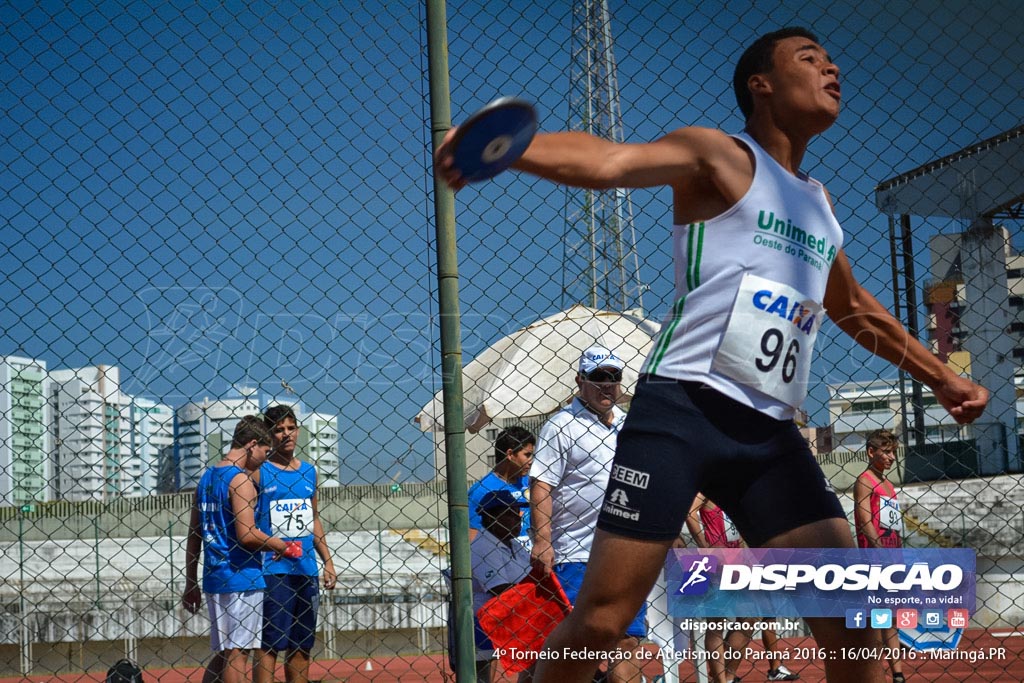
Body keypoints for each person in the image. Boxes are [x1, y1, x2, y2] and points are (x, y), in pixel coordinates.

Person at [435, 26, 989, 683]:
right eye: (810, 59)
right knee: (604, 617)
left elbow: (853, 306)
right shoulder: (719, 155)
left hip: (770, 437)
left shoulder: (818, 204)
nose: (832, 67)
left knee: (851, 619)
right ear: (762, 84)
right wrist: (509, 148)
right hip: (682, 413)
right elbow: (612, 161)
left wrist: (939, 377)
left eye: (832, 59)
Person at [529, 346, 647, 683]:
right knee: (579, 648)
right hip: (577, 555)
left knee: (626, 641)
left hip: (625, 553)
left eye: (613, 378)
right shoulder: (561, 425)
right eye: (598, 378)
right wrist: (543, 539)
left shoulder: (629, 424)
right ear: (580, 381)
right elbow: (542, 484)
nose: (607, 385)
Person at [182, 416, 299, 683]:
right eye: (264, 452)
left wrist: (191, 581)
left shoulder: (207, 478)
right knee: (239, 652)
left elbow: (194, 534)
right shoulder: (240, 481)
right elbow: (246, 535)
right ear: (252, 444)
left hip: (214, 576)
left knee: (226, 652)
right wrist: (280, 544)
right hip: (241, 576)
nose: (263, 459)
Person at [253, 405, 337, 683]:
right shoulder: (260, 472)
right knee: (269, 645)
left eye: (291, 428)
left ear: (298, 431)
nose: (286, 434)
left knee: (302, 646)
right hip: (273, 571)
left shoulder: (309, 472)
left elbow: (314, 518)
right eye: (279, 429)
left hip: (305, 569)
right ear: (269, 434)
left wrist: (328, 561)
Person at [685, 493, 800, 683]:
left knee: (749, 617)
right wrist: (705, 546)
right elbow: (690, 513)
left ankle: (727, 676)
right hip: (716, 561)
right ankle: (721, 679)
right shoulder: (707, 490)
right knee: (716, 624)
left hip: (736, 559)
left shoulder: (731, 488)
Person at [854, 429, 905, 683]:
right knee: (876, 616)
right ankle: (872, 671)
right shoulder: (865, 480)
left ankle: (897, 673)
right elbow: (864, 520)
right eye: (886, 452)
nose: (891, 457)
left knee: (891, 616)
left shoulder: (888, 484)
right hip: (876, 557)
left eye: (893, 452)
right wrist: (878, 551)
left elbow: (894, 524)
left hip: (892, 554)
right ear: (871, 452)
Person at [470, 490, 533, 682]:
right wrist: (536, 592)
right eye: (509, 514)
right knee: (482, 677)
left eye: (517, 513)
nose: (517, 519)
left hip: (517, 618)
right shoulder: (482, 546)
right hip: (485, 621)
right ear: (491, 518)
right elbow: (500, 589)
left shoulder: (515, 545)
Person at [468, 426, 535, 543]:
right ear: (510, 454)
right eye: (527, 455)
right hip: (503, 556)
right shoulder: (481, 491)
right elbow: (472, 536)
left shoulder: (531, 483)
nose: (531, 461)